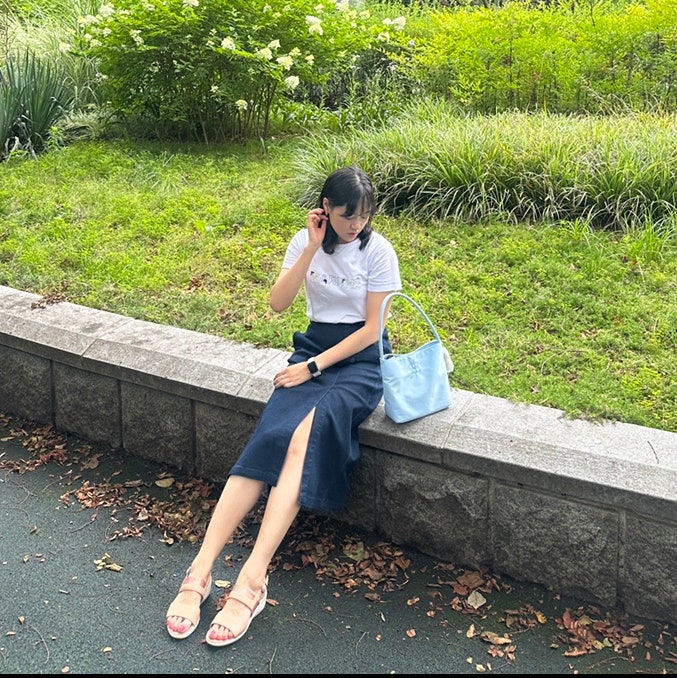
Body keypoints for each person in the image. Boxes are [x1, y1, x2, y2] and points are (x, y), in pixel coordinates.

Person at [165, 165, 402, 647]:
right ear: (326, 208)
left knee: (303, 439)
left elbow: (372, 331)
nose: (356, 224)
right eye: (346, 215)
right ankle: (200, 569)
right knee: (270, 437)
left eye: (364, 215)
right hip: (312, 348)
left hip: (359, 364)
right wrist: (311, 248)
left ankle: (252, 579)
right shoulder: (304, 241)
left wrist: (312, 369)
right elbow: (278, 303)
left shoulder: (378, 251)